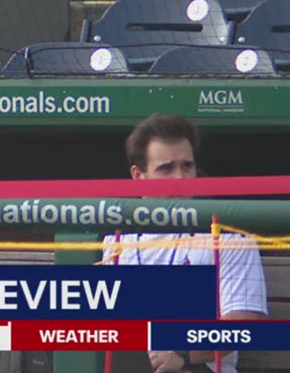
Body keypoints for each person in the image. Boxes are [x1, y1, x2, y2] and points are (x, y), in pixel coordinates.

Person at [102, 114, 267, 373]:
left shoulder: (229, 237)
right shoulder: (116, 239)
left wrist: (182, 354)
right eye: (166, 168)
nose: (181, 178)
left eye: (187, 166)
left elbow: (244, 323)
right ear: (138, 175)